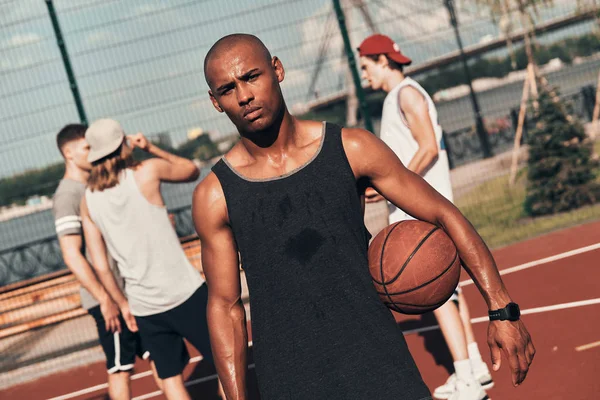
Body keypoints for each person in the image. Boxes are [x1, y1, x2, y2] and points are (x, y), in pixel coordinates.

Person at [192, 33, 534, 400]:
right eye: (228, 89)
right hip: (290, 382)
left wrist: (502, 308)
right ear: (216, 102)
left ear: (277, 69)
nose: (244, 95)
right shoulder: (215, 195)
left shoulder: (351, 148)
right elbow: (226, 307)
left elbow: (443, 213)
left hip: (382, 367)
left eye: (251, 77)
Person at [357, 34, 494, 400]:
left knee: (435, 291)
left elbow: (429, 147)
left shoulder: (406, 94)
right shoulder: (397, 97)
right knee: (449, 289)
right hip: (419, 206)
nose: (364, 73)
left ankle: (466, 379)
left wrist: (393, 184)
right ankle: (475, 367)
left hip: (421, 209)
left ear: (384, 60)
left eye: (366, 65)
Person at [79, 119, 222, 400]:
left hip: (144, 304)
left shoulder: (88, 199)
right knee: (225, 361)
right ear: (123, 143)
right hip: (185, 291)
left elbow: (100, 264)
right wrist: (151, 147)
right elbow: (191, 170)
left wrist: (122, 304)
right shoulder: (146, 171)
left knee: (170, 379)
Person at [52, 124, 162, 400]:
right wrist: (105, 299)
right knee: (121, 368)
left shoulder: (93, 185)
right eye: (87, 148)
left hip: (132, 291)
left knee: (161, 355)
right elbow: (71, 254)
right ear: (68, 153)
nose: (93, 153)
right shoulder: (68, 195)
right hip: (109, 302)